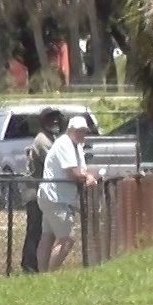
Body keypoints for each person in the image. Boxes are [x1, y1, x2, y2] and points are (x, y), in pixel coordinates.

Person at [36, 115, 99, 273]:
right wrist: (88, 177)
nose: (81, 134)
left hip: (56, 197)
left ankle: (42, 276)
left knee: (48, 237)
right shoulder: (64, 143)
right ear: (70, 130)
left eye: (84, 131)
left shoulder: (76, 145)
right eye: (78, 131)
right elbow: (72, 173)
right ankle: (50, 276)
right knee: (67, 239)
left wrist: (89, 175)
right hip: (54, 197)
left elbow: (82, 171)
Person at [21, 109, 63, 273]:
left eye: (56, 119)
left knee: (43, 231)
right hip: (35, 193)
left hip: (44, 193)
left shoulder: (51, 139)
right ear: (43, 122)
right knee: (35, 230)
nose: (54, 122)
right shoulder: (42, 140)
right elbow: (54, 163)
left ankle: (36, 264)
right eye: (50, 119)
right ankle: (30, 265)